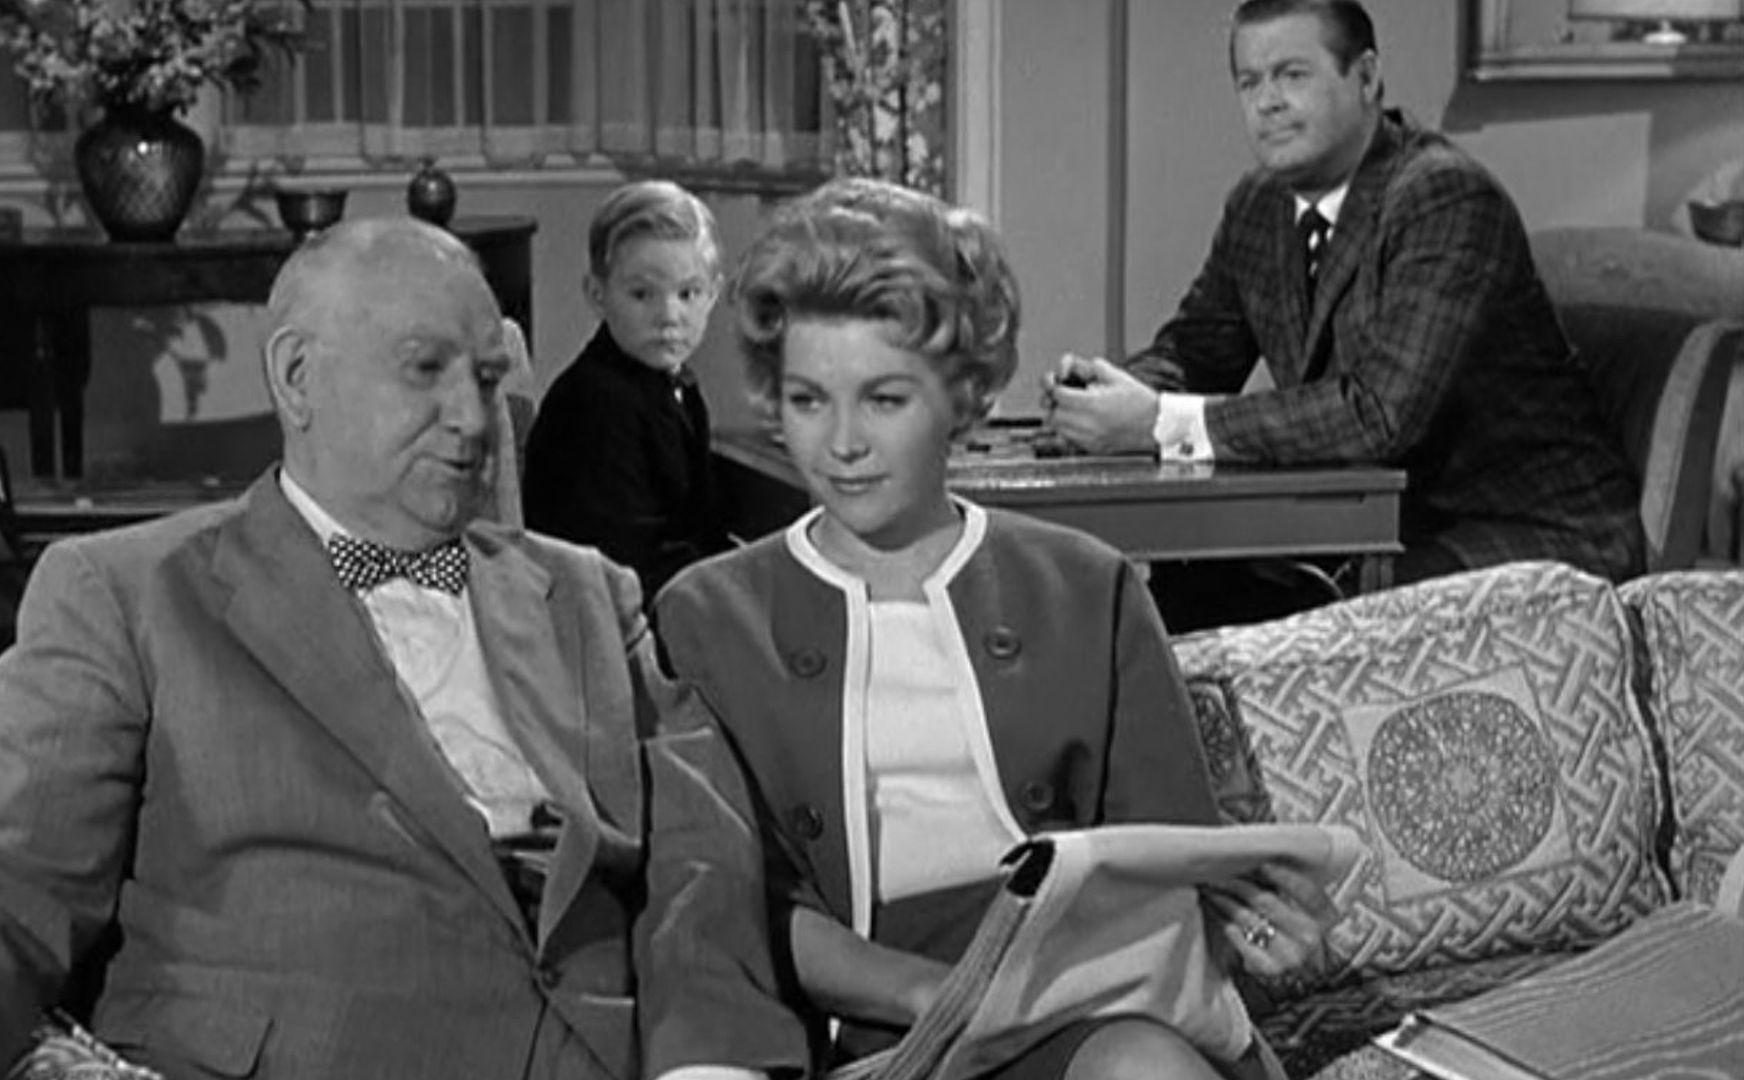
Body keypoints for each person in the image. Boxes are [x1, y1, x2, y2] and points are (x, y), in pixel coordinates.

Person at [0, 218, 804, 1080]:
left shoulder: (587, 592)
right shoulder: (127, 593)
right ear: (298, 377)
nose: (473, 419)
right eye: (425, 370)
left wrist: (707, 1061)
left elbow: (702, 851)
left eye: (486, 377)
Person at [654, 179, 1335, 1080]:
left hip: (1086, 1006)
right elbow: (737, 902)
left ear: (964, 396)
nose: (843, 442)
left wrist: (1254, 921)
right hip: (884, 1029)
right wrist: (942, 998)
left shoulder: (1087, 585)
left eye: (884, 399)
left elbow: (1169, 857)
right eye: (809, 400)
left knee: (1145, 1069)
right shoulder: (707, 616)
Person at [1045, 0, 1643, 592]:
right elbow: (1197, 351)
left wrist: (1157, 423)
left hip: (1520, 532)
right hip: (1366, 529)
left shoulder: (1444, 198)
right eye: (1249, 82)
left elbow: (1379, 415)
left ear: (1367, 78)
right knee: (1159, 593)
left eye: (1292, 75)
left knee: (1251, 604)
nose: (1267, 102)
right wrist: (1103, 399)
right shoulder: (1259, 205)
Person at [523, 179, 734, 600]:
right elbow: (630, 559)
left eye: (688, 293)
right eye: (642, 294)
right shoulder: (595, 404)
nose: (669, 315)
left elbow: (697, 527)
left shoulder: (676, 384)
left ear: (713, 294)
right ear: (597, 295)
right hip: (607, 612)